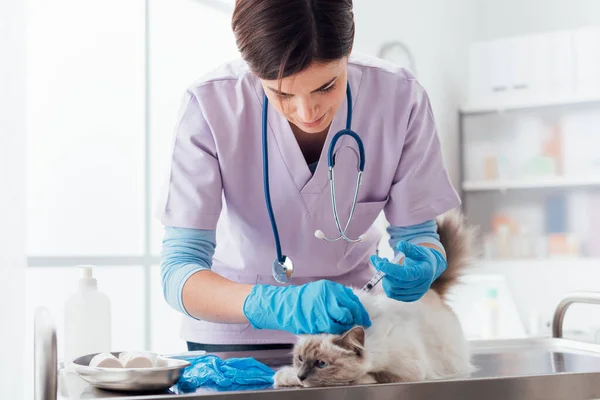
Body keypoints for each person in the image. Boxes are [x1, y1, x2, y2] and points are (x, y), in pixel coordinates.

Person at [156, 0, 460, 353]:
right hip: (234, 335)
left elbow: (417, 234)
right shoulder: (210, 105)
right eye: (281, 93)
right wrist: (269, 305)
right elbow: (179, 269)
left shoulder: (399, 98)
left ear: (347, 53)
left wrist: (423, 260)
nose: (307, 112)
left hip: (351, 333)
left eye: (326, 86)